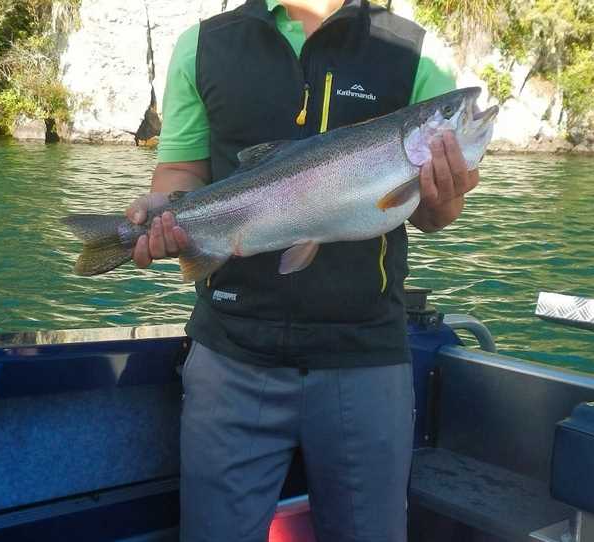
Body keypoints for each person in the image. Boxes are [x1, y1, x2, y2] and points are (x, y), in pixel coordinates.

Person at [126, 1, 479, 541]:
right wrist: (163, 215)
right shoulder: (202, 44)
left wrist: (444, 195)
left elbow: (434, 215)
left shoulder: (414, 50)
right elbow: (181, 168)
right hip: (230, 355)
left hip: (365, 357)